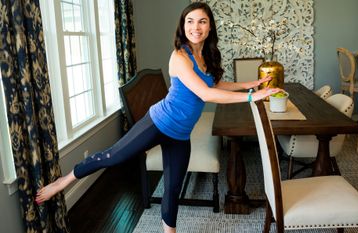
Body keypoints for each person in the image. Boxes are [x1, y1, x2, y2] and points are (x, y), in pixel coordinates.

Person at [36, 2, 281, 233]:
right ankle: (62, 182)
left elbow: (216, 84)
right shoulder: (180, 56)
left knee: (172, 189)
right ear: (183, 25)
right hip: (157, 123)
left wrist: (253, 85)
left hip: (181, 134)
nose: (195, 27)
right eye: (190, 21)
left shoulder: (206, 55)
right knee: (111, 156)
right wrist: (252, 98)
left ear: (210, 27)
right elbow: (206, 93)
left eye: (202, 22)